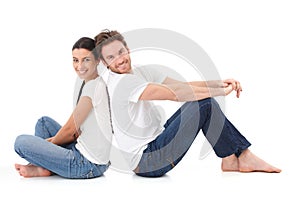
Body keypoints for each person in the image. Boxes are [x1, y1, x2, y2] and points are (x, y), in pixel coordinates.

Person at [94, 29, 281, 177]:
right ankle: (243, 156)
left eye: (121, 52)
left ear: (127, 48)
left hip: (155, 143)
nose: (120, 60)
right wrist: (220, 92)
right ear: (104, 62)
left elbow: (180, 85)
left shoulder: (139, 71)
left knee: (203, 103)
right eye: (111, 57)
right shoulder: (123, 83)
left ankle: (231, 159)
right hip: (148, 162)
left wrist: (220, 83)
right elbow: (174, 94)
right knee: (204, 104)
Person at [14, 37, 112, 178]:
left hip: (87, 164)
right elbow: (76, 131)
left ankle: (43, 166)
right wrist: (46, 146)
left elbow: (70, 131)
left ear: (97, 61)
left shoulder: (93, 88)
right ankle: (46, 167)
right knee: (44, 123)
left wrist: (45, 145)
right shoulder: (93, 82)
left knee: (20, 142)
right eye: (75, 60)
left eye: (86, 60)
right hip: (83, 148)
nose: (80, 66)